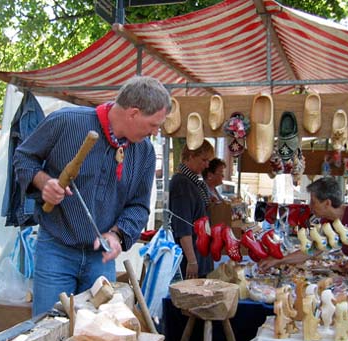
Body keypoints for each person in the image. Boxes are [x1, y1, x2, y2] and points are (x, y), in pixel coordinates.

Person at [13, 75, 171, 315]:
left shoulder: (145, 153)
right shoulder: (66, 122)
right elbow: (23, 157)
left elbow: (138, 206)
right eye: (153, 124)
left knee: (98, 329)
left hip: (101, 257)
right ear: (133, 113)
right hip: (57, 247)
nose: (156, 132)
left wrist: (117, 234)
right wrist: (44, 182)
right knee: (49, 330)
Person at [258, 176, 348, 274]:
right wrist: (278, 260)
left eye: (313, 201)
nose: (309, 206)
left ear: (327, 203)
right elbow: (311, 250)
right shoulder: (328, 222)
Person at [169, 140, 215, 279]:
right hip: (190, 261)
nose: (207, 165)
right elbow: (183, 227)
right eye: (204, 160)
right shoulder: (182, 184)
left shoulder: (193, 183)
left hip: (200, 256)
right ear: (190, 156)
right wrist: (192, 260)